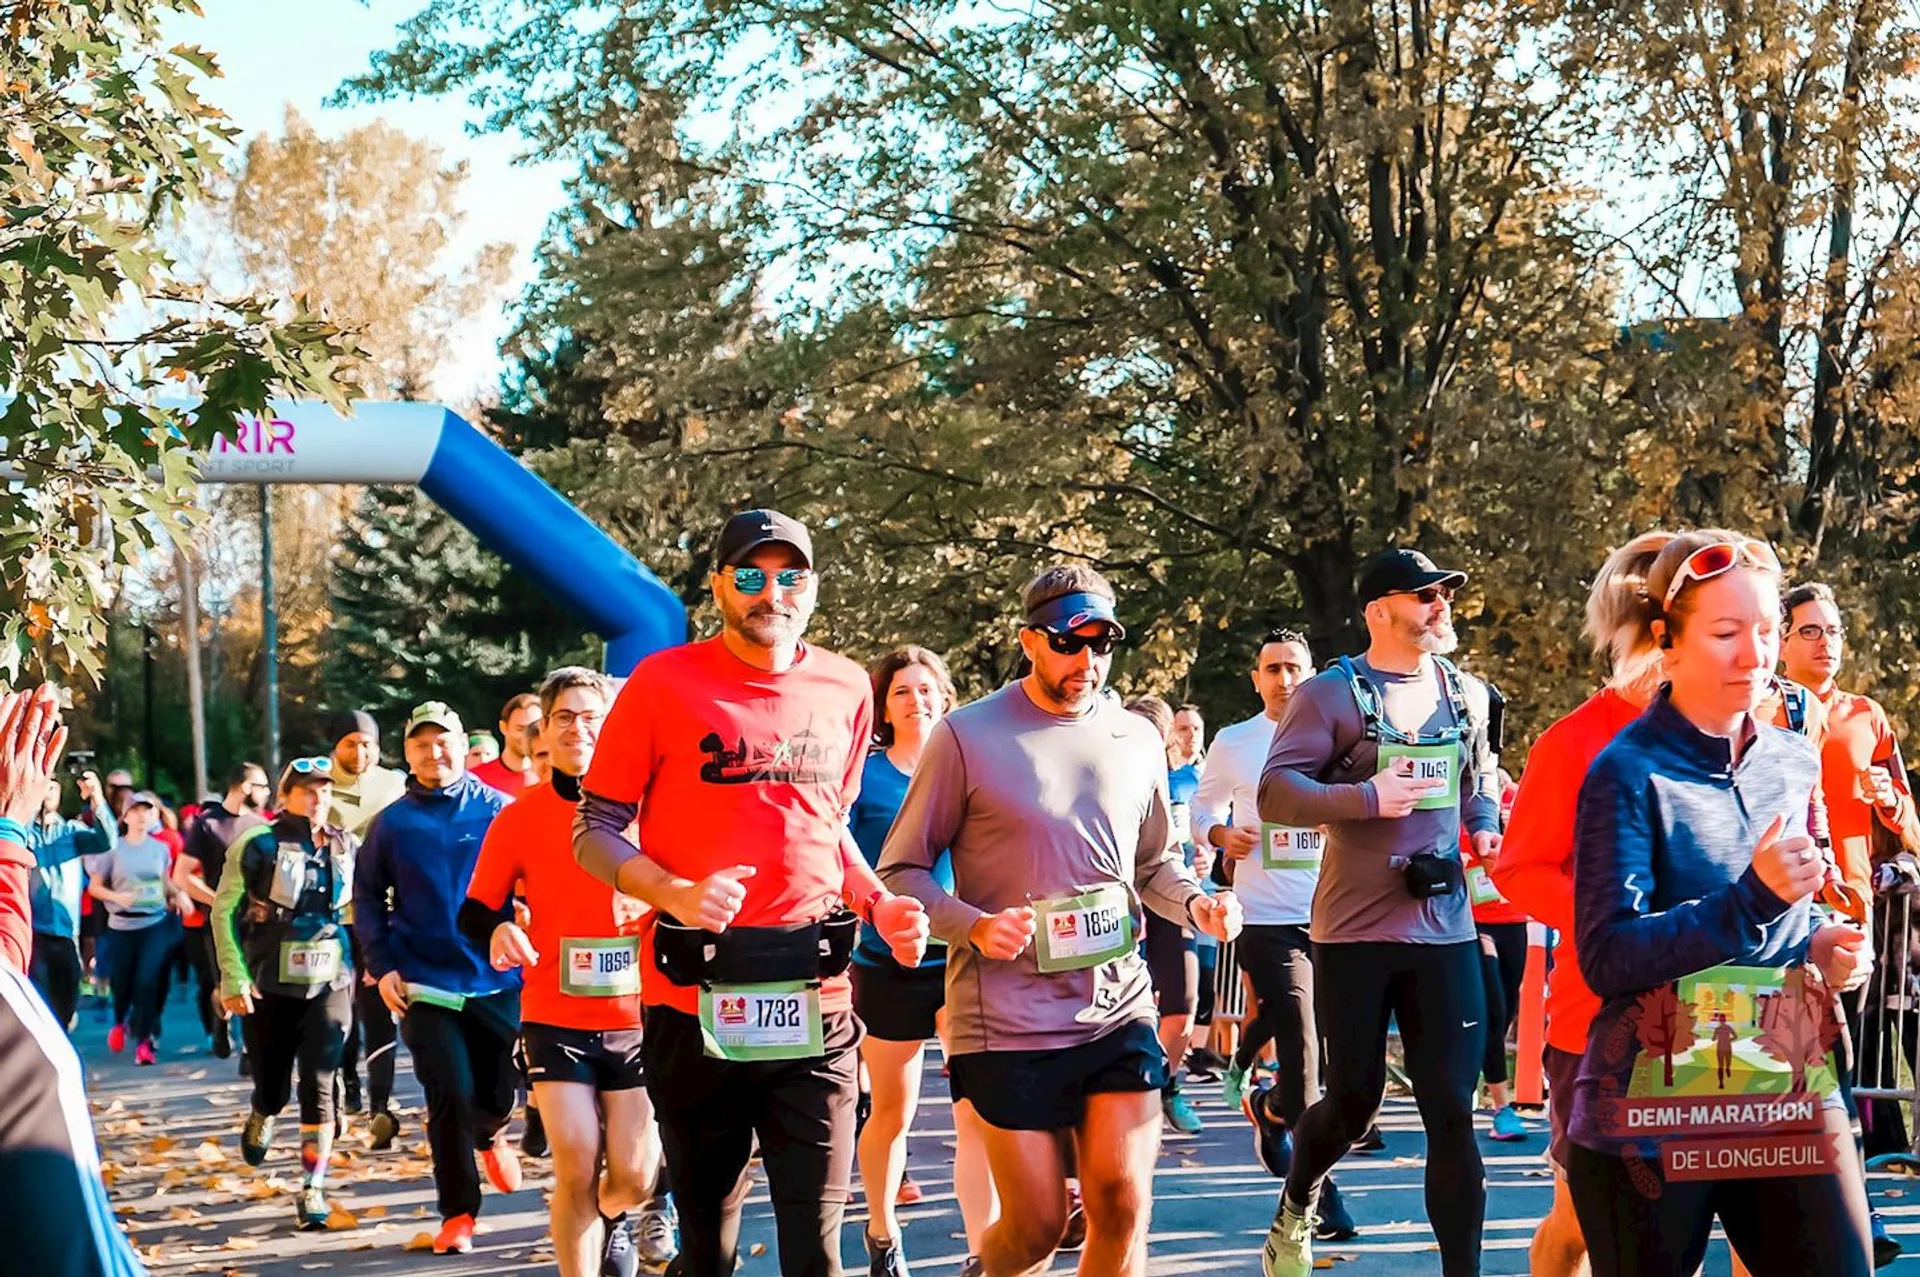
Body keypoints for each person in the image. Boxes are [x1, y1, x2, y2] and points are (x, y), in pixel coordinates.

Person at [574, 508, 929, 1277]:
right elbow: (595, 828)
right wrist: (672, 890)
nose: (772, 591)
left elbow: (830, 826)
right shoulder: (662, 682)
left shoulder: (845, 686)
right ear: (718, 587)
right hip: (691, 1001)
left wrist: (879, 902)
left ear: (812, 587)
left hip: (816, 998)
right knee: (711, 1249)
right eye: (749, 575)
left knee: (817, 1255)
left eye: (789, 574)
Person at [880, 565, 1241, 1277]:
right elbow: (902, 871)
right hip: (1006, 1018)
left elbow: (1153, 863)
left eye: (1102, 644)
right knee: (1039, 1226)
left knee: (1122, 1202)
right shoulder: (966, 734)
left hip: (1118, 1007)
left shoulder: (1137, 737)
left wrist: (1196, 900)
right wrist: (974, 925)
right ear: (1029, 641)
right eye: (1070, 643)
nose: (1088, 661)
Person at [1563, 531, 1873, 1276]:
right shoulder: (1625, 770)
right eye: (1727, 633)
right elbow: (1608, 956)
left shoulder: (1792, 759)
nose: (1755, 654)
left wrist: (1821, 939)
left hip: (1780, 1087)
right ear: (1667, 641)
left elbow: (1784, 911)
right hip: (1650, 1108)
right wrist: (1755, 899)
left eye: (1766, 631)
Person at [1257, 549, 1501, 1277]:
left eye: (1445, 593)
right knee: (1355, 1101)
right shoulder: (1332, 693)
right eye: (1425, 594)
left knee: (1450, 1110)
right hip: (1354, 931)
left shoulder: (1467, 692)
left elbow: (1478, 777)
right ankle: (1299, 1198)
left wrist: (1482, 820)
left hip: (1446, 926)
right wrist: (1365, 798)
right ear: (1378, 610)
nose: (1441, 604)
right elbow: (1276, 793)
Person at [464, 667, 676, 1277]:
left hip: (641, 1015)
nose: (578, 728)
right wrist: (500, 928)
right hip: (555, 1013)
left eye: (592, 717)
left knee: (633, 1178)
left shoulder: (652, 813)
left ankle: (613, 1218)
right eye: (564, 718)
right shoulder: (520, 818)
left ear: (613, 730)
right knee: (576, 1162)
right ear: (545, 735)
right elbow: (477, 909)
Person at [1190, 628, 1360, 1238]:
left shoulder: (1342, 733)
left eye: (1294, 667)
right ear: (1256, 678)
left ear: (1312, 673)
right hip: (1265, 916)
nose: (1284, 679)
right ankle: (1318, 1195)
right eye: (1272, 669)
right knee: (1303, 1043)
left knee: (1337, 1059)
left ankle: (1272, 1107)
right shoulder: (1235, 742)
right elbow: (1200, 808)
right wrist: (1217, 836)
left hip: (1339, 916)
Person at [1779, 580, 1920, 1265]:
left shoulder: (1867, 715)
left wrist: (1894, 804)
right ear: (1779, 638)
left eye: (1833, 630)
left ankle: (1852, 1221)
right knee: (1792, 1073)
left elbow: (1912, 826)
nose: (1825, 642)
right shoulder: (1764, 706)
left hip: (1853, 919)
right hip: (1780, 915)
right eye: (1809, 629)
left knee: (1842, 1071)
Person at [353, 701, 520, 1256]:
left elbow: (533, 882)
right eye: (421, 744)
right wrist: (382, 965)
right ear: (409, 753)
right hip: (425, 980)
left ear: (462, 744)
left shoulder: (500, 809)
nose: (434, 752)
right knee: (447, 1091)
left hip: (497, 979)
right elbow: (368, 901)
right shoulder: (392, 823)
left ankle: (492, 1131)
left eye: (443, 740)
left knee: (496, 1092)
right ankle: (458, 1214)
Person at [849, 646, 996, 1277]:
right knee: (893, 1110)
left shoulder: (970, 765)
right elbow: (843, 865)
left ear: (946, 696)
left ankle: (981, 1250)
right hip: (887, 962)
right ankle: (882, 1235)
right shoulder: (866, 775)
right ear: (884, 706)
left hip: (962, 957)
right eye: (903, 691)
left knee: (976, 1113)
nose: (918, 700)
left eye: (928, 689)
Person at [0, 685, 150, 1277]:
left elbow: (100, 841)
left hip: (50, 942)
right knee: (42, 1052)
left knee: (51, 1024)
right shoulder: (28, 834)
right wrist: (9, 831)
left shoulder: (57, 832)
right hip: (25, 963)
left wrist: (96, 805)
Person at [211, 757, 357, 1230]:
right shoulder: (258, 843)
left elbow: (371, 905)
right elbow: (224, 910)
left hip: (331, 982)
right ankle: (262, 1111)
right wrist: (232, 976)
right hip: (269, 983)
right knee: (273, 1084)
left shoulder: (346, 843)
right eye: (308, 791)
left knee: (319, 1085)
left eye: (326, 791)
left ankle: (313, 1187)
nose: (318, 799)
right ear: (286, 796)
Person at [1125, 695, 1208, 1136]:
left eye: (1155, 735)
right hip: (1124, 904)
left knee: (1183, 1005)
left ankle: (1166, 1084)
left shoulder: (1183, 781)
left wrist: (1206, 860)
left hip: (1173, 898)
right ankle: (1132, 1093)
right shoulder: (1107, 774)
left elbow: (1202, 834)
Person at [326, 709, 407, 1136]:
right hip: (332, 918)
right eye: (350, 743)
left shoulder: (395, 785)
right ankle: (347, 1080)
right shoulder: (317, 784)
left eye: (367, 743)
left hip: (382, 913)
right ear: (335, 747)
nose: (360, 751)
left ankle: (381, 1102)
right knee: (340, 1011)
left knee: (379, 1007)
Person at [173, 762, 270, 1060]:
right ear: (246, 787)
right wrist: (217, 900)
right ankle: (221, 1024)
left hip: (256, 922)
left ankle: (252, 1052)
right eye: (263, 785)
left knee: (255, 984)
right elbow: (182, 874)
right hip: (219, 922)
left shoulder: (262, 826)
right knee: (223, 983)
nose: (268, 792)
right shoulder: (208, 824)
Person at [86, 790, 189, 1065]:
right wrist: (117, 897)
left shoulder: (161, 849)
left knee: (147, 982)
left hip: (153, 923)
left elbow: (164, 880)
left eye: (148, 811)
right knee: (123, 983)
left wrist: (179, 895)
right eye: (137, 811)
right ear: (126, 816)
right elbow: (95, 887)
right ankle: (120, 1021)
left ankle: (144, 1043)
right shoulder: (112, 849)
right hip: (121, 925)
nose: (143, 816)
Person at [1464, 772, 1530, 1142]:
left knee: (1506, 1009)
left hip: (1514, 920)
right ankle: (1503, 1109)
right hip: (1474, 923)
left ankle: (1474, 1066)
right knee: (1492, 1006)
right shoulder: (1465, 805)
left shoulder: (1519, 800)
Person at [28, 768, 115, 1029]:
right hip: (34, 933)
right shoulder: (22, 832)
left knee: (66, 1004)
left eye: (52, 787)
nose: (47, 792)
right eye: (42, 786)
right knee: (38, 1004)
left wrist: (96, 797)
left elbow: (107, 840)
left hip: (66, 933)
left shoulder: (71, 832)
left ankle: (63, 1027)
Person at [472, 693, 542, 798]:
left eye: (534, 728)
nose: (527, 736)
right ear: (503, 727)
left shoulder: (553, 778)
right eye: (520, 729)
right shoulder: (476, 780)